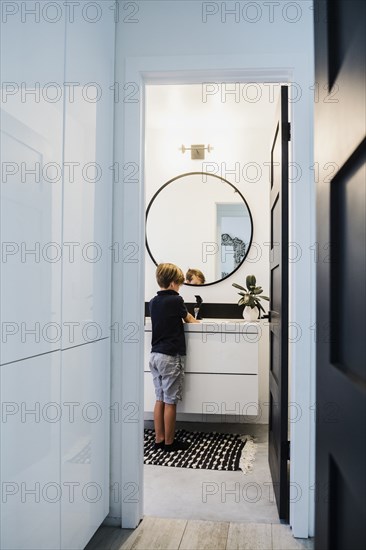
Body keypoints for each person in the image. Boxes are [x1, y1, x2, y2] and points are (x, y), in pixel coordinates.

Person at [149, 263, 200, 452]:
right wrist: (196, 320)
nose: (179, 287)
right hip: (170, 356)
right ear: (172, 284)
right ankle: (170, 443)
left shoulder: (153, 301)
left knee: (159, 398)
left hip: (155, 356)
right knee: (170, 401)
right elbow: (188, 319)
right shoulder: (176, 300)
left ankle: (159, 439)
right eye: (178, 284)